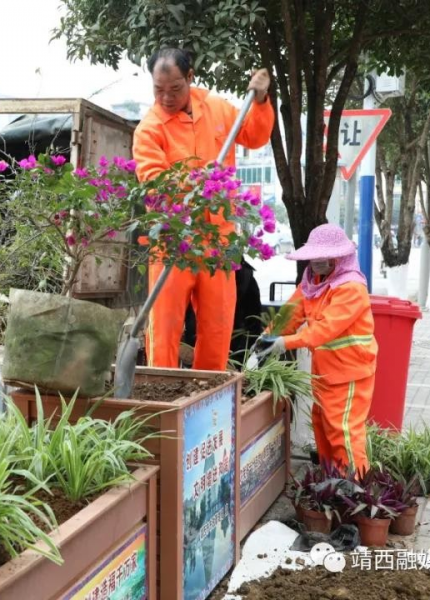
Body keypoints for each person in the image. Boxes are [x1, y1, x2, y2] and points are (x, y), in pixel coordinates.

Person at [133, 47, 274, 371]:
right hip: (174, 241)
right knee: (165, 326)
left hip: (218, 242)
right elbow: (154, 182)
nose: (166, 97)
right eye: (158, 90)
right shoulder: (149, 129)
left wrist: (262, 99)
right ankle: (161, 391)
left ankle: (207, 394)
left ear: (190, 77)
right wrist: (197, 185)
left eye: (175, 88)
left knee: (217, 325)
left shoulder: (216, 108)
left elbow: (254, 134)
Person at [260, 224, 377, 473]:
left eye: (323, 258)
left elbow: (323, 330)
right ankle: (331, 482)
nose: (316, 263)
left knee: (343, 432)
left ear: (339, 257)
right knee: (323, 426)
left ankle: (357, 490)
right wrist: (267, 337)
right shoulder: (313, 283)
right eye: (314, 258)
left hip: (349, 373)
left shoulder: (351, 288)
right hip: (324, 371)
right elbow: (291, 314)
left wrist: (283, 343)